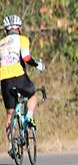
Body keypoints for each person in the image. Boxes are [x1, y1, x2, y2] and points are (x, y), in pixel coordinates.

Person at [0, 15, 45, 157]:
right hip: (19, 76)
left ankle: (11, 145)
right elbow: (26, 57)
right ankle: (29, 117)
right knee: (32, 94)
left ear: (6, 30)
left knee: (9, 113)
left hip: (4, 80)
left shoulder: (1, 43)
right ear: (19, 28)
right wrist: (37, 65)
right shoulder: (22, 39)